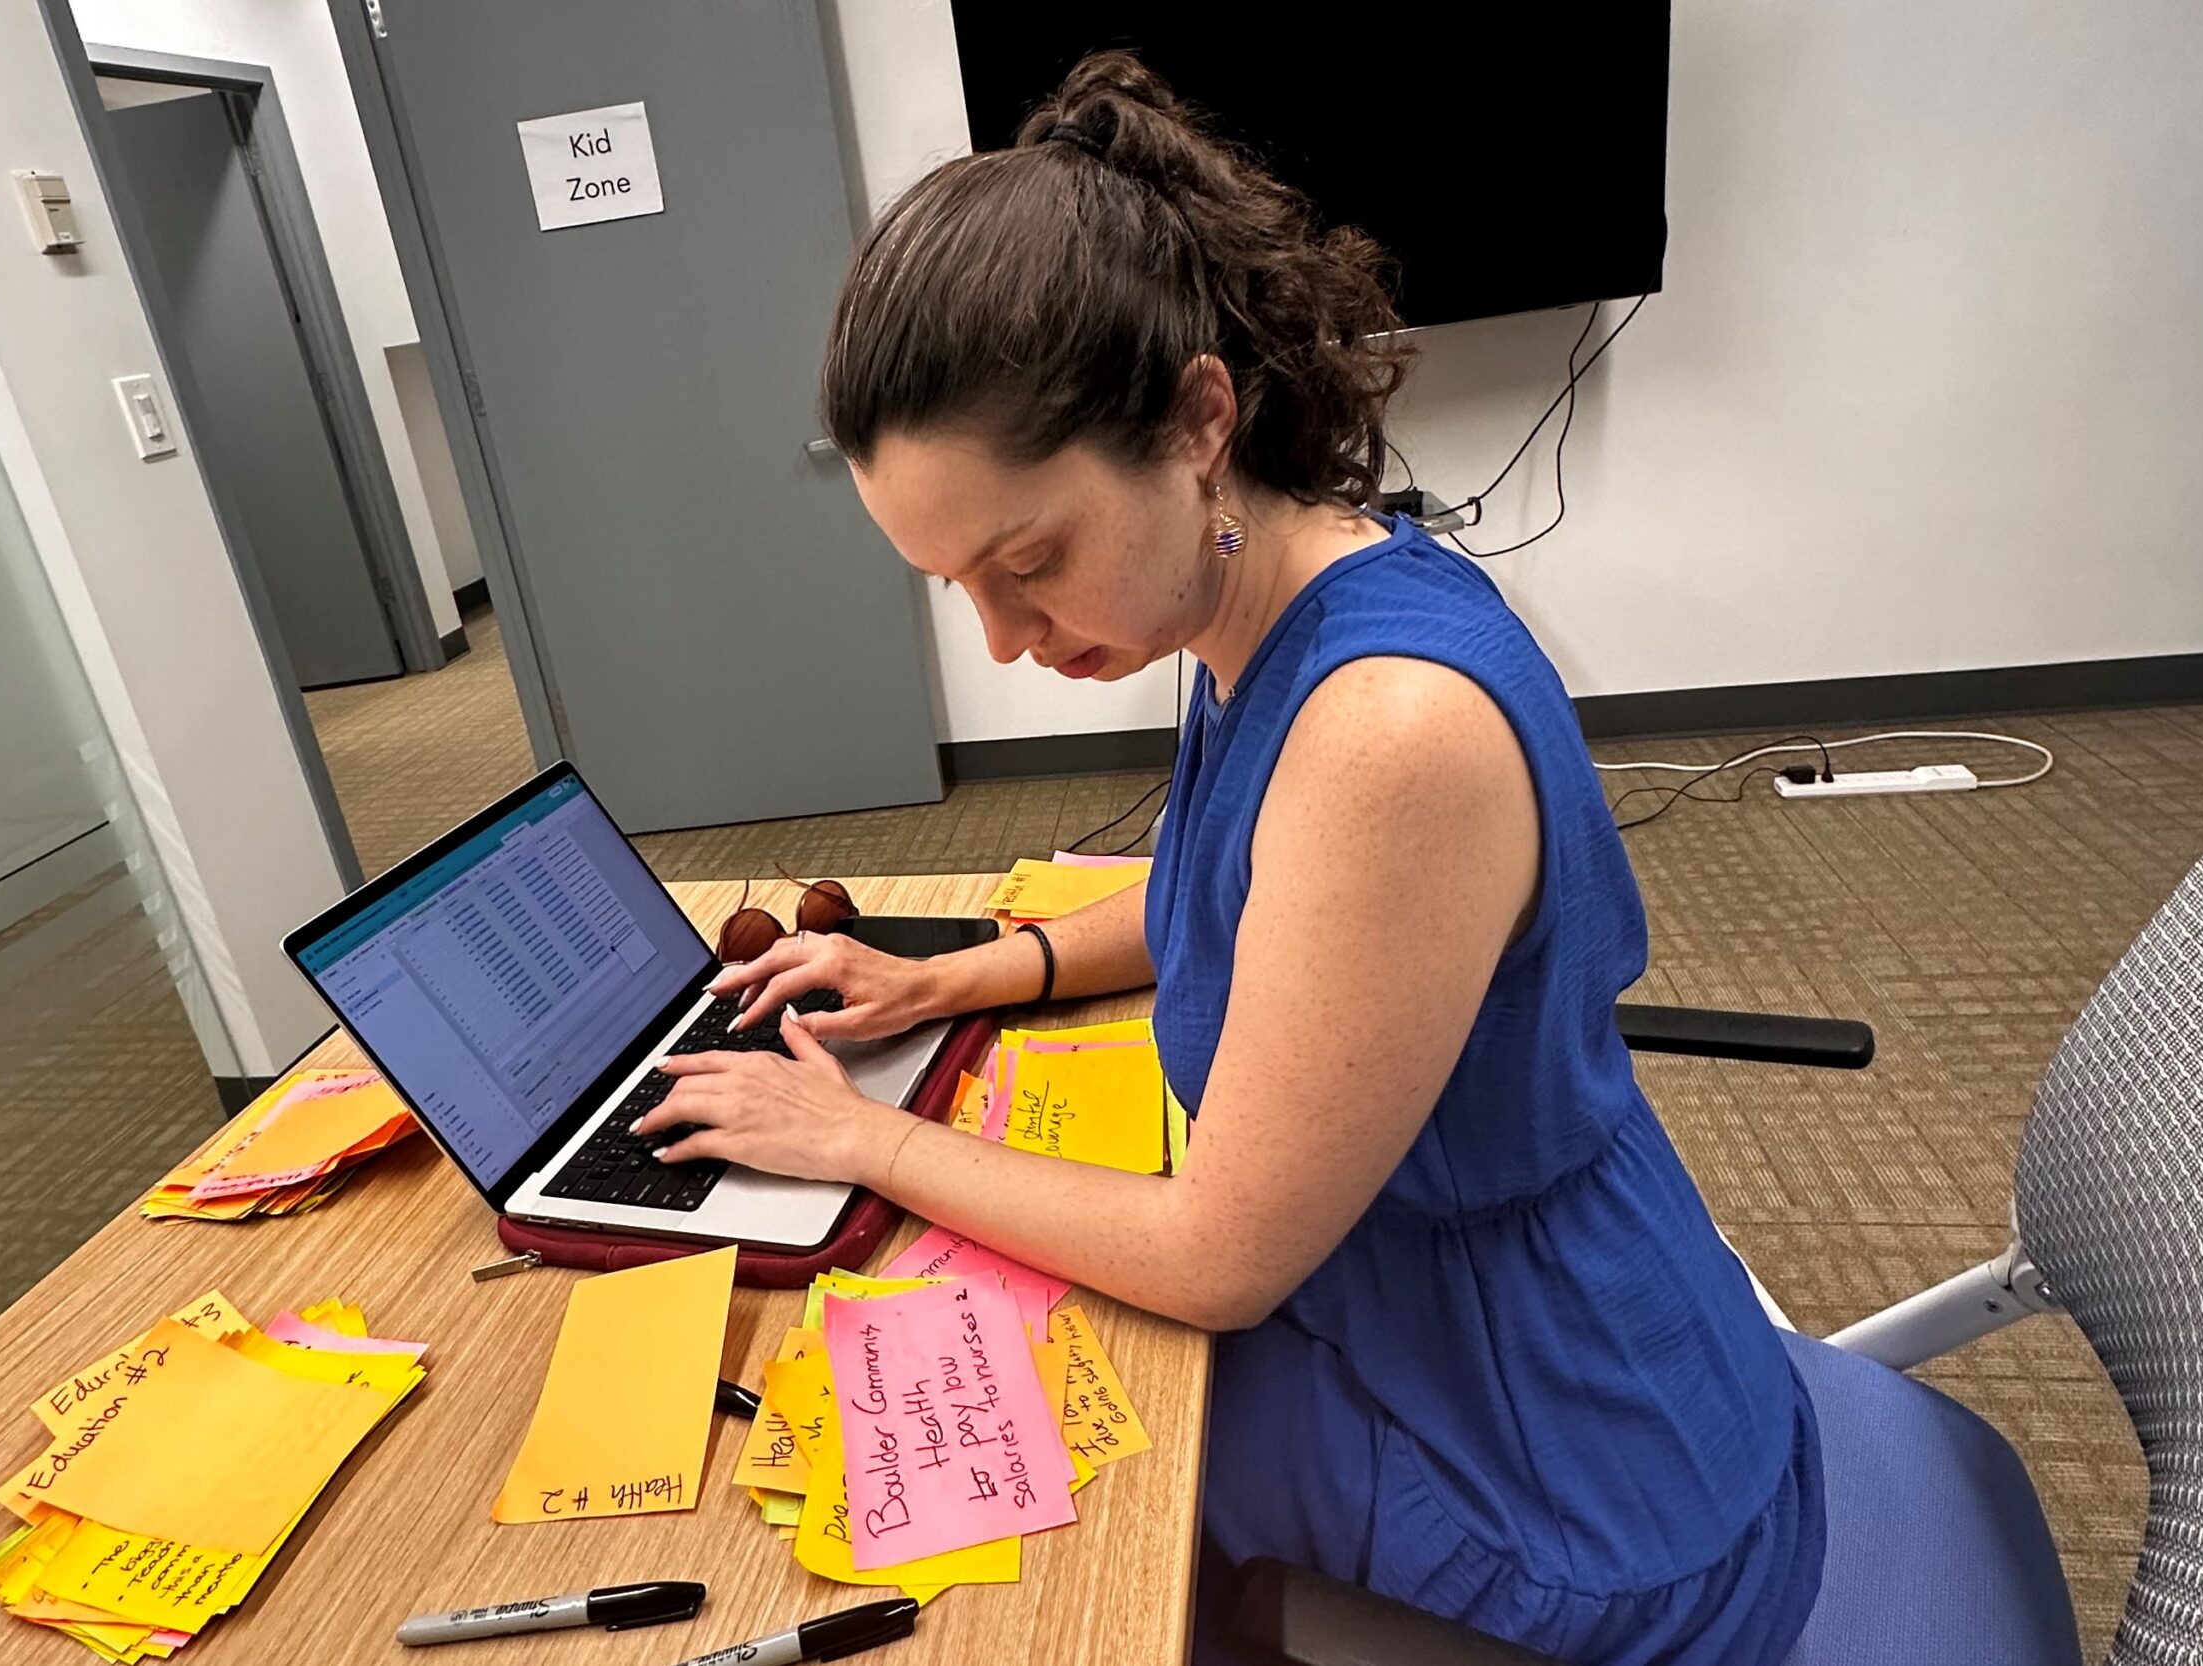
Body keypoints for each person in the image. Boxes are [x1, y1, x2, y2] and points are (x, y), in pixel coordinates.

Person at [641, 50, 1823, 1666]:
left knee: (993, 1565)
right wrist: (963, 971)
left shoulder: (1385, 728)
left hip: (1578, 1477)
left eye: (1029, 562)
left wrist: (857, 1136)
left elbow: (1219, 1257)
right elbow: (1241, 893)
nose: (1002, 640)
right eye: (953, 586)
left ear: (1201, 420)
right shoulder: (1260, 607)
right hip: (1449, 1326)